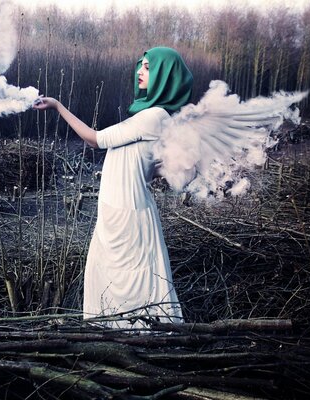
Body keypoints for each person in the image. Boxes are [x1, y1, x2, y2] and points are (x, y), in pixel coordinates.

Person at [33, 47, 192, 329]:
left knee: (130, 280)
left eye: (147, 67)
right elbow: (157, 169)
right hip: (120, 211)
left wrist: (58, 107)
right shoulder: (158, 118)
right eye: (140, 66)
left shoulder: (153, 117)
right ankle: (121, 333)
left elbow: (94, 139)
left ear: (164, 75)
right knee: (114, 277)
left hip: (127, 216)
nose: (139, 72)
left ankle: (134, 335)